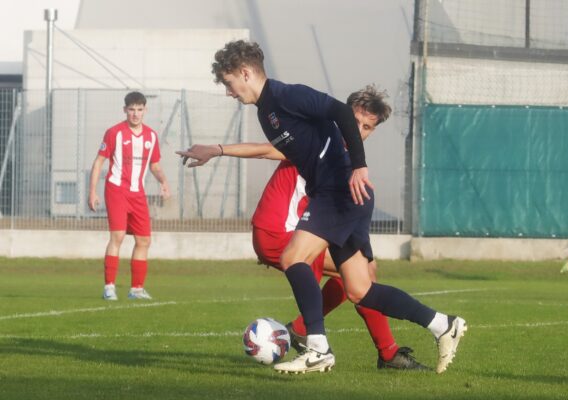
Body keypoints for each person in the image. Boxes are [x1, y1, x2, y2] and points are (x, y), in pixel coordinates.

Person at [208, 40, 466, 374]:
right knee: (359, 289)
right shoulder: (266, 111)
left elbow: (341, 112)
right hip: (341, 196)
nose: (229, 91)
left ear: (245, 73)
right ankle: (442, 325)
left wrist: (358, 165)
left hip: (338, 192)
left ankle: (318, 347)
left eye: (229, 83)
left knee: (293, 257)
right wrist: (215, 149)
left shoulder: (286, 95)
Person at [179, 86, 429, 370]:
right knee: (361, 276)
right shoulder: (314, 144)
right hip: (277, 231)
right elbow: (264, 151)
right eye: (354, 121)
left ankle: (324, 335)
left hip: (291, 232)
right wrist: (217, 149)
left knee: (359, 274)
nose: (358, 130)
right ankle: (378, 351)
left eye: (367, 127)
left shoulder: (345, 161)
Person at [88, 91, 170, 301]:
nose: (135, 114)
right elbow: (98, 162)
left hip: (138, 194)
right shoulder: (114, 132)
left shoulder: (151, 136)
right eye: (131, 109)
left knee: (144, 240)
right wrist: (92, 191)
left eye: (139, 110)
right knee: (118, 237)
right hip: (116, 190)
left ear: (145, 110)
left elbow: (155, 166)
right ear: (125, 110)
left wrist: (163, 181)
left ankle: (136, 289)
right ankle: (109, 287)